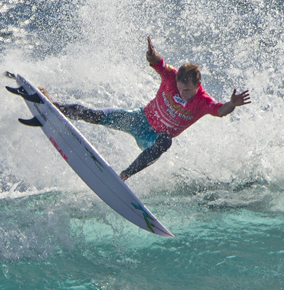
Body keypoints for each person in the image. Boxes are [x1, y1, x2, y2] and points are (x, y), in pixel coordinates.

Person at [40, 36, 251, 181]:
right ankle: (52, 105)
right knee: (96, 115)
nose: (183, 93)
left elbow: (220, 110)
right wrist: (151, 53)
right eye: (180, 87)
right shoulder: (171, 77)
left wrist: (232, 103)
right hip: (138, 119)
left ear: (198, 85)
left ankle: (125, 175)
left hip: (152, 138)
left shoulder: (203, 101)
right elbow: (157, 62)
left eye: (188, 90)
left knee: (165, 142)